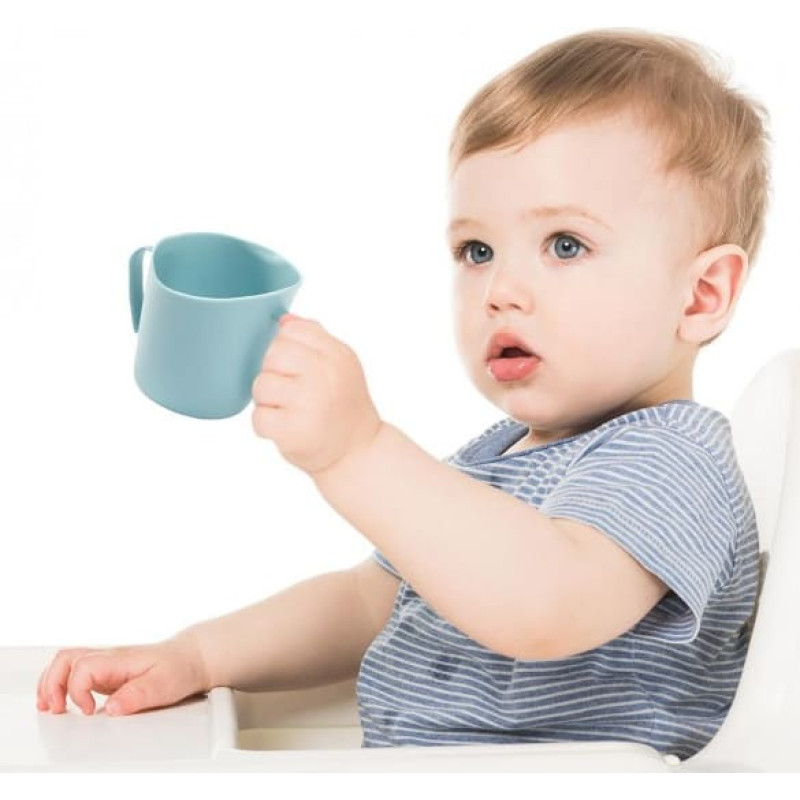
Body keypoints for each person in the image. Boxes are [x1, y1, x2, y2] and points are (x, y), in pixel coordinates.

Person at [36, 27, 770, 762]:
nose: (500, 290)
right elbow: (366, 602)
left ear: (701, 295)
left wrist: (358, 452)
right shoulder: (497, 457)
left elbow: (546, 602)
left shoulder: (675, 457)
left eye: (565, 245)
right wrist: (196, 655)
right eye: (476, 251)